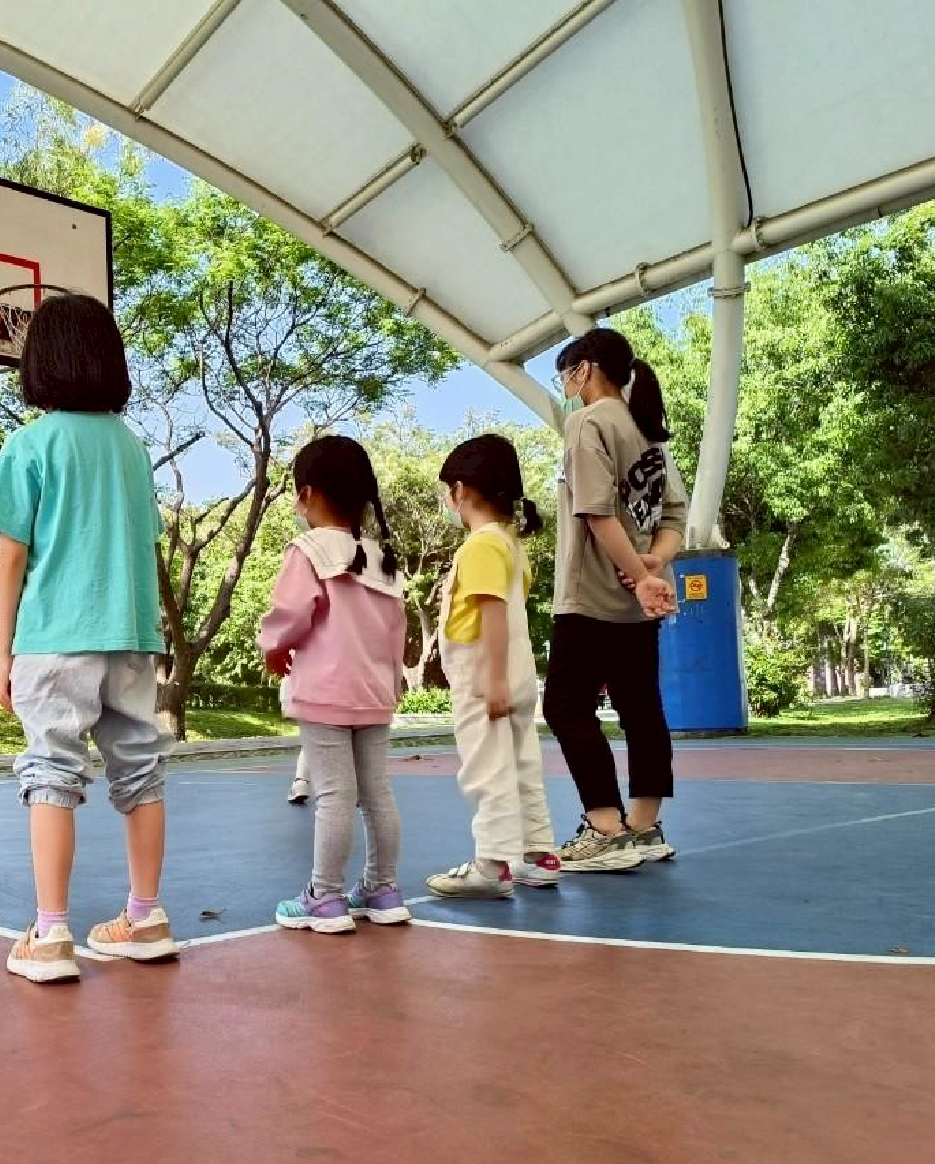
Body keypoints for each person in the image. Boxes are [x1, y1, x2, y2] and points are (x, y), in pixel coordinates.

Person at [0, 294, 178, 983]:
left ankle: (52, 933)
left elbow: (9, 557)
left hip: (55, 634)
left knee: (51, 773)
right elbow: (144, 541)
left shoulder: (31, 445)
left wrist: (2, 655)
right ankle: (145, 916)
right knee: (141, 770)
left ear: (42, 362)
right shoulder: (131, 448)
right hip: (130, 633)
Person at [543, 327, 684, 873]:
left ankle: (604, 828)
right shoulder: (651, 434)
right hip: (633, 607)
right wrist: (652, 566)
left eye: (567, 373)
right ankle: (645, 826)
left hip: (589, 597)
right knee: (642, 708)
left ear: (586, 369)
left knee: (564, 705)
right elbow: (673, 519)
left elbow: (596, 512)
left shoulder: (588, 422)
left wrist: (638, 574)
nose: (566, 386)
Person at [258, 435, 409, 933]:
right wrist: (392, 684)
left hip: (325, 693)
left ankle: (325, 897)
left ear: (308, 493)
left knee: (333, 796)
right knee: (377, 793)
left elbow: (292, 614)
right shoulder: (380, 558)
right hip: (374, 694)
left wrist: (273, 647)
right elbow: (396, 633)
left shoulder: (309, 550)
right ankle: (383, 890)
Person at [425, 434, 558, 899]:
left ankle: (495, 863)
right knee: (522, 763)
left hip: (485, 673)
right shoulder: (510, 545)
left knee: (488, 767)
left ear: (461, 490)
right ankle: (540, 855)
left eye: (448, 491)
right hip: (518, 671)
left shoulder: (480, 546)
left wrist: (492, 677)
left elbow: (492, 613)